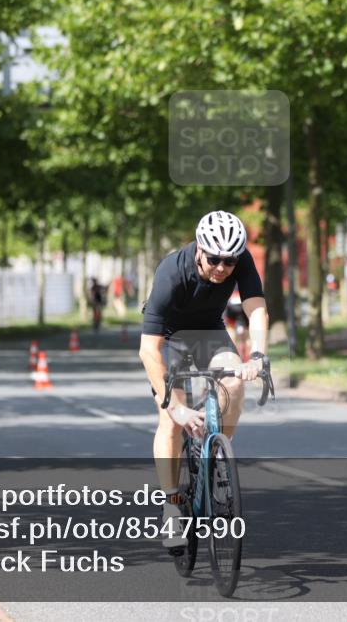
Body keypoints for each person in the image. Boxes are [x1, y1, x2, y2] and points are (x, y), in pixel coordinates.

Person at [138, 210, 269, 549]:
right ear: (199, 249)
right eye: (215, 260)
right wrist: (176, 408)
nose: (223, 268)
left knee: (235, 382)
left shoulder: (239, 260)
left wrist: (257, 354)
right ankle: (171, 506)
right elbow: (148, 350)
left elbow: (256, 308)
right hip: (170, 338)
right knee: (170, 421)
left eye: (230, 261)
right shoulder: (171, 272)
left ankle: (218, 460)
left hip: (209, 331)